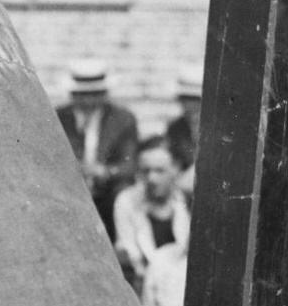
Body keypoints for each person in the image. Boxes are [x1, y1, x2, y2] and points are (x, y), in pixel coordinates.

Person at [55, 59, 139, 240]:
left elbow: (129, 165)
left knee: (124, 192)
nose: (87, 101)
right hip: (69, 190)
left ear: (104, 93)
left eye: (94, 94)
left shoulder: (122, 119)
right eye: (81, 94)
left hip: (107, 191)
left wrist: (104, 171)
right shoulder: (57, 117)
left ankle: (123, 246)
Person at [112, 135, 190, 293]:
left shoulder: (187, 202)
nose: (152, 178)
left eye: (159, 171)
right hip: (145, 286)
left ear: (175, 168)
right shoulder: (127, 201)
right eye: (146, 171)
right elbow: (130, 252)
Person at [165, 62, 204, 191]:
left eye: (194, 99)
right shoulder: (176, 128)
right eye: (183, 98)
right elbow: (175, 162)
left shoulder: (218, 128)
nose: (188, 104)